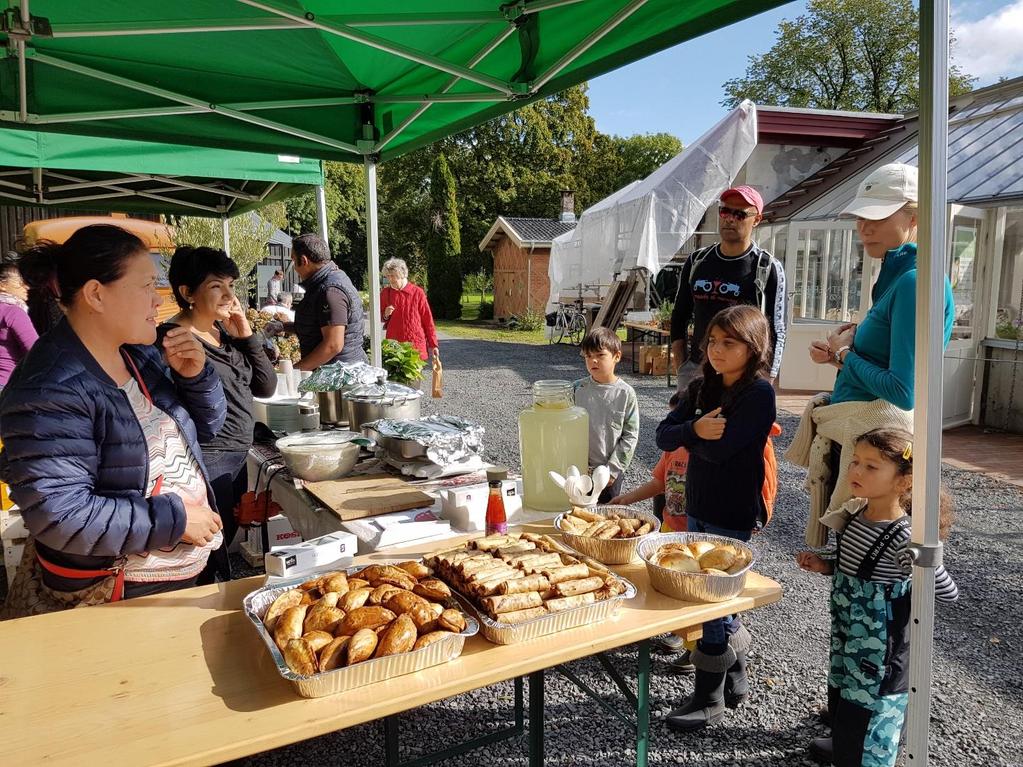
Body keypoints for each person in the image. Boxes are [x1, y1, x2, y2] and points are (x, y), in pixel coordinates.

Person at [0, 224, 227, 616]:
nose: (158, 301)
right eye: (145, 286)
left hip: (171, 581)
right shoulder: (49, 386)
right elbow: (61, 515)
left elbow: (205, 431)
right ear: (96, 294)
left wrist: (196, 378)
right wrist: (173, 519)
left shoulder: (137, 356)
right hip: (114, 593)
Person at [786, 163, 955, 549]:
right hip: (866, 445)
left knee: (868, 566)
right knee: (853, 563)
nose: (865, 227)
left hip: (879, 447)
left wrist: (845, 354)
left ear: (916, 217)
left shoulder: (914, 280)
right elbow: (887, 364)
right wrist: (837, 356)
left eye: (877, 216)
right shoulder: (896, 275)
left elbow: (903, 389)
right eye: (862, 217)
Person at [796, 429, 958, 767]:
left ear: (904, 481)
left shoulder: (903, 536)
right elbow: (855, 567)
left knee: (871, 720)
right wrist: (827, 565)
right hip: (846, 642)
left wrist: (927, 561)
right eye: (855, 461)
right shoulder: (856, 515)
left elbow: (947, 593)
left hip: (879, 657)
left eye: (872, 467)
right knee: (842, 698)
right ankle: (843, 745)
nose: (856, 471)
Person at [656, 304, 777, 731]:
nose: (717, 350)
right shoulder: (702, 385)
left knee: (712, 601)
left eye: (730, 342)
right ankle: (736, 678)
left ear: (753, 347)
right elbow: (663, 435)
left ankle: (708, 698)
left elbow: (724, 450)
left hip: (732, 511)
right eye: (712, 341)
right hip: (698, 505)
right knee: (717, 597)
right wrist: (695, 431)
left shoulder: (759, 394)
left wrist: (692, 435)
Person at [163, 246, 277, 583]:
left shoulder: (222, 333)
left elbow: (265, 386)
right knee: (204, 552)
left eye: (230, 285)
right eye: (216, 286)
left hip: (238, 457)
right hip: (206, 460)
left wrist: (245, 334)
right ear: (187, 293)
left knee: (223, 542)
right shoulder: (174, 340)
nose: (229, 295)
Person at [670, 186, 787, 389]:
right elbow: (680, 314)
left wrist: (767, 378)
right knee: (689, 422)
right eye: (725, 211)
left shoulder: (766, 267)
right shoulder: (698, 260)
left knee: (736, 422)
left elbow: (777, 328)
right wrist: (681, 363)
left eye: (740, 214)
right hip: (696, 370)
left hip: (743, 375)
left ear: (757, 220)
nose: (729, 219)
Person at [610, 390, 691, 665]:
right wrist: (627, 498)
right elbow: (658, 483)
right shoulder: (672, 449)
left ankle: (696, 646)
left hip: (695, 534)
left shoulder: (707, 450)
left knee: (692, 587)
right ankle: (679, 629)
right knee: (670, 583)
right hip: (670, 526)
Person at [573, 327, 639, 504]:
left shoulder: (626, 393)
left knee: (604, 517)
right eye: (588, 356)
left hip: (608, 474)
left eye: (600, 355)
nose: (593, 360)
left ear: (616, 356)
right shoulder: (576, 389)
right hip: (577, 471)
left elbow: (630, 435)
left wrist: (613, 470)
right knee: (576, 513)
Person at [287, 233, 366, 370]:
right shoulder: (333, 278)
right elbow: (318, 325)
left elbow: (333, 345)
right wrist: (283, 326)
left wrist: (294, 372)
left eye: (294, 260)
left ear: (304, 261)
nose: (294, 267)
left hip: (338, 378)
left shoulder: (330, 291)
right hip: (338, 372)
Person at [380, 257, 439, 363]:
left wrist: (433, 344)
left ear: (402, 274)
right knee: (394, 379)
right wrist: (385, 314)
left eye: (393, 276)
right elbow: (379, 317)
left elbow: (427, 320)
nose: (390, 279)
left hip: (415, 344)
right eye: (388, 276)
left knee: (414, 379)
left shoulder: (417, 292)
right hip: (394, 345)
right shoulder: (385, 293)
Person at [0, 252, 38, 389]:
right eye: (20, 282)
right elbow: (35, 351)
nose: (26, 287)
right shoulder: (13, 312)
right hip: (7, 384)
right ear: (2, 285)